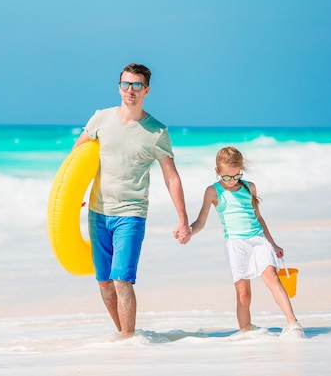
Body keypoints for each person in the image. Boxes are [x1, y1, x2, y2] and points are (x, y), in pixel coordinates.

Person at [73, 63, 191, 338]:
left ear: (146, 90)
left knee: (122, 281)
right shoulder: (101, 119)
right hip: (98, 212)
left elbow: (171, 177)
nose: (130, 90)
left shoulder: (156, 131)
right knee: (104, 283)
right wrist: (73, 195)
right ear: (119, 87)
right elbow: (77, 153)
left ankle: (128, 339)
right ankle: (124, 336)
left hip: (131, 214)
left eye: (137, 85)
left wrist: (183, 219)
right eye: (126, 84)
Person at [187, 146, 304, 336]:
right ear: (217, 172)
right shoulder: (212, 191)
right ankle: (245, 331)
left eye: (236, 176)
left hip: (258, 239)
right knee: (244, 295)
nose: (232, 181)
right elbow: (201, 221)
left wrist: (273, 244)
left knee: (272, 278)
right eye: (227, 177)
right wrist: (189, 232)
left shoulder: (249, 187)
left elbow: (259, 217)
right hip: (235, 245)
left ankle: (293, 323)